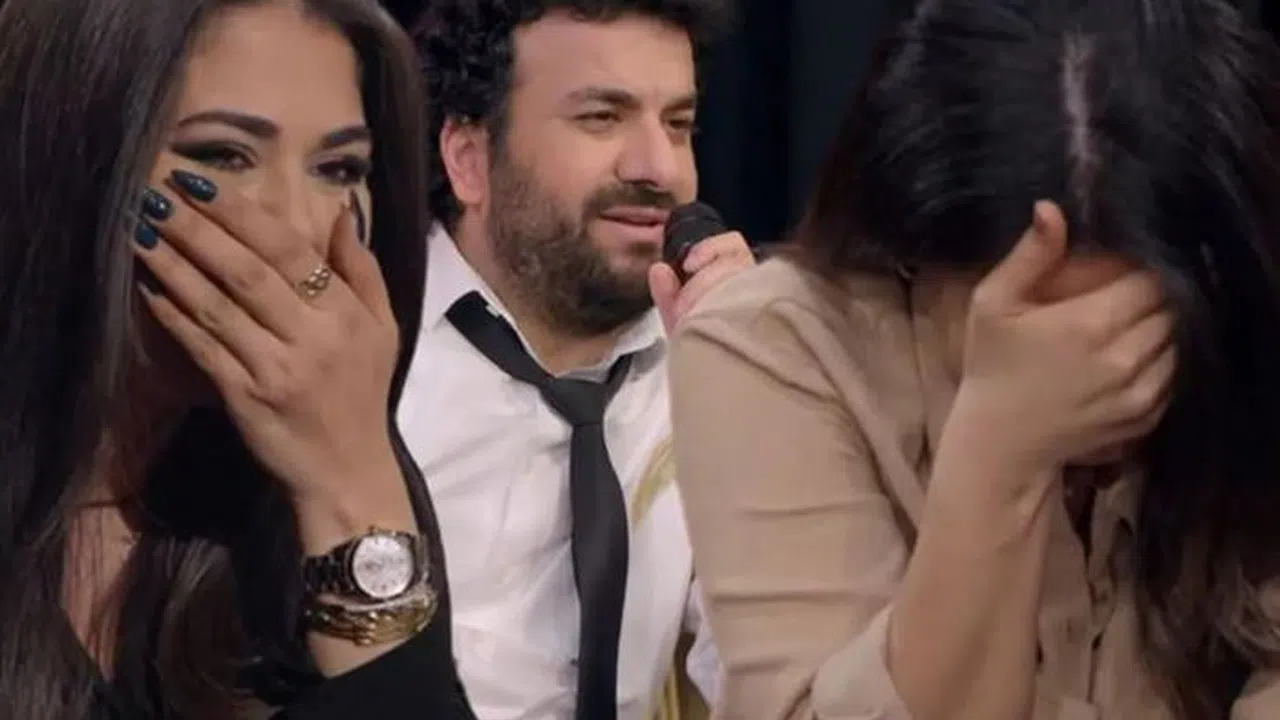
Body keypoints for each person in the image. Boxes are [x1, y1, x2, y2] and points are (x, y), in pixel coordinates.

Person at [669, 0, 1280, 719]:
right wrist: (997, 455)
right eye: (1033, 322)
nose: (1090, 371)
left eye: (1134, 329)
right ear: (911, 252)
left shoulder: (1245, 329)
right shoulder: (774, 347)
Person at [0, 0, 475, 718]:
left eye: (339, 168)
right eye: (221, 156)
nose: (298, 226)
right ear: (64, 162)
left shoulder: (342, 490)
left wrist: (351, 495)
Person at [397, 0, 747, 718]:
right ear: (469, 159)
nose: (658, 168)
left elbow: (775, 683)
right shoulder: (364, 362)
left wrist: (766, 410)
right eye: (601, 117)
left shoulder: (713, 362)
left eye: (678, 124)